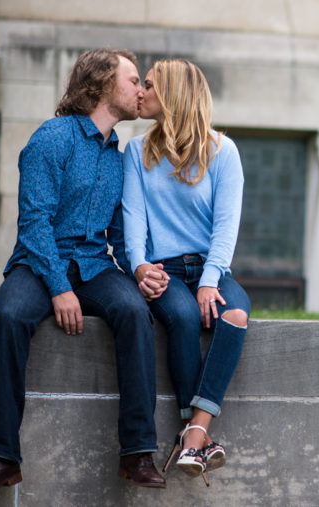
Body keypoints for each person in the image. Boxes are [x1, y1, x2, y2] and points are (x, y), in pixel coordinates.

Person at [0, 49, 166, 496]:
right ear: (103, 84)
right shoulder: (52, 138)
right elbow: (34, 223)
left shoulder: (119, 154)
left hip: (95, 264)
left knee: (134, 312)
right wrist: (58, 287)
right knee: (11, 316)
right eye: (133, 80)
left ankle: (137, 452)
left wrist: (140, 268)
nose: (141, 90)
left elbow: (119, 232)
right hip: (40, 262)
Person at [122, 58, 249, 486]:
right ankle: (197, 436)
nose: (141, 92)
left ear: (173, 96)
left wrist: (210, 282)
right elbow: (133, 220)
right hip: (166, 271)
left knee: (234, 315)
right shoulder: (136, 152)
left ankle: (194, 431)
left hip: (211, 267)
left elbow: (225, 227)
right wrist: (140, 267)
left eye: (151, 86)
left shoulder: (223, 151)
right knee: (183, 317)